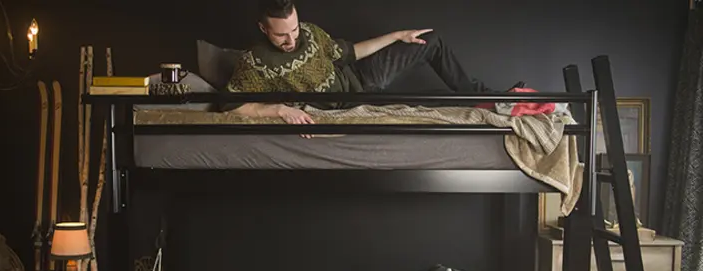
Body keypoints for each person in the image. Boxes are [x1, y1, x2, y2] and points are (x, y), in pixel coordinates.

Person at [223, 0, 524, 130]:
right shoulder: (255, 61)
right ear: (264, 29)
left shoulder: (312, 32)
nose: (291, 40)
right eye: (281, 35)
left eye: (294, 29)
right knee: (412, 110)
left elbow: (351, 51)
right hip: (343, 105)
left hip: (359, 77)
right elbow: (230, 106)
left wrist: (397, 36)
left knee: (430, 40)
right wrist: (279, 110)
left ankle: (484, 97)